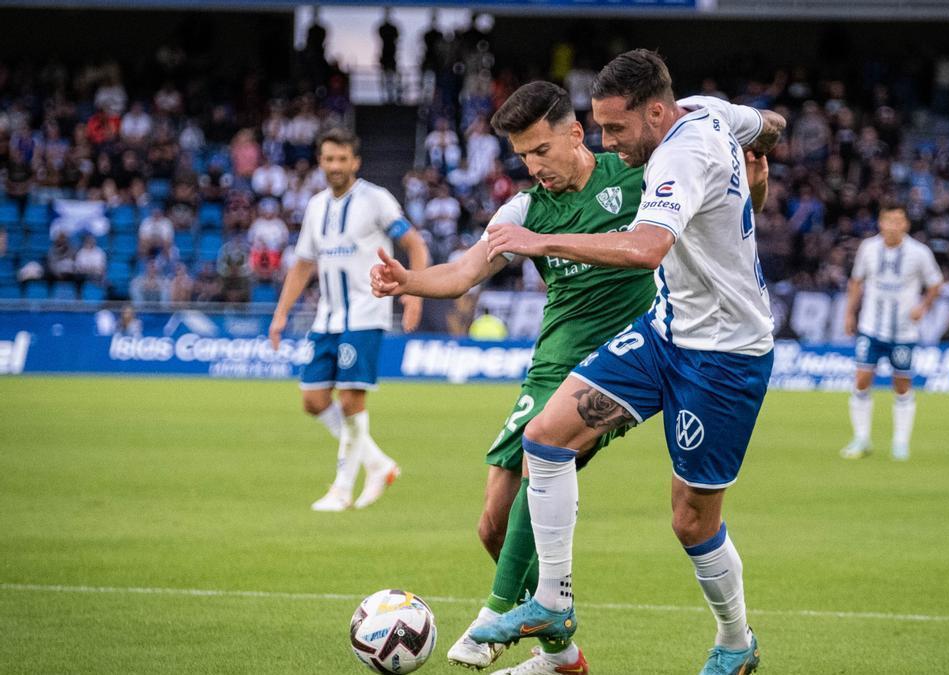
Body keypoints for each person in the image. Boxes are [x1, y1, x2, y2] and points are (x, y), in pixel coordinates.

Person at [464, 50, 785, 675]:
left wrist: (540, 241)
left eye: (616, 130)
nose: (608, 142)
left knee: (691, 521)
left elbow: (644, 248)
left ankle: (735, 641)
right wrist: (759, 167)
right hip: (665, 330)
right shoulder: (709, 111)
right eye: (599, 127)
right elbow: (768, 126)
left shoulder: (679, 156)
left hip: (724, 357)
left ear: (657, 112)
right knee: (546, 437)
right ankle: (552, 604)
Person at [371, 81, 658, 675]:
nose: (533, 167)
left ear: (576, 133)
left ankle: (499, 611)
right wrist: (408, 280)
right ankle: (562, 653)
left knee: (539, 458)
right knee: (493, 526)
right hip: (551, 363)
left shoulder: (637, 176)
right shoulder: (525, 210)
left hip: (618, 360)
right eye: (523, 156)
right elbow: (463, 273)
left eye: (541, 151)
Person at [269, 127, 429, 512]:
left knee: (351, 400)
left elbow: (415, 244)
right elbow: (303, 263)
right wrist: (281, 314)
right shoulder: (316, 206)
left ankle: (341, 489)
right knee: (312, 399)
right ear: (320, 162)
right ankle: (377, 465)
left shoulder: (376, 200)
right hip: (328, 317)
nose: (335, 166)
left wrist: (414, 291)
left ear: (355, 161)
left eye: (343, 159)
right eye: (329, 159)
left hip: (366, 312)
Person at [840, 205, 943, 461]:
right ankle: (861, 439)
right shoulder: (868, 248)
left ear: (906, 224)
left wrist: (923, 307)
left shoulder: (919, 253)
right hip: (871, 327)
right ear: (880, 223)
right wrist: (849, 313)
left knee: (902, 386)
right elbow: (856, 281)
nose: (893, 226)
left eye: (898, 221)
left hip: (904, 332)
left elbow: (935, 283)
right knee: (862, 380)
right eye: (889, 220)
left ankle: (900, 443)